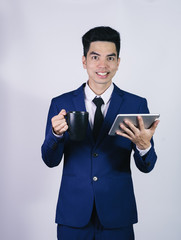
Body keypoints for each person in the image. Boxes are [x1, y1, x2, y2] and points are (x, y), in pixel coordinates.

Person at [41, 26, 159, 240]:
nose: (102, 65)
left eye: (110, 58)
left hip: (117, 216)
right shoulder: (61, 103)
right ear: (84, 61)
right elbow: (50, 160)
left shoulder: (136, 104)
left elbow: (147, 166)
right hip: (73, 217)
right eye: (95, 57)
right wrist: (55, 136)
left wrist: (144, 147)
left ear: (118, 63)